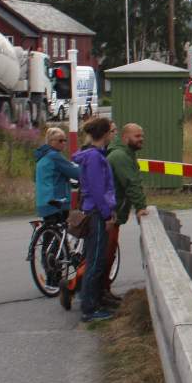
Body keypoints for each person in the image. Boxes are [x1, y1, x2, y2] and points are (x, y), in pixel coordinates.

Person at [72, 117, 117, 322]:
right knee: (95, 261)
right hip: (96, 213)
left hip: (95, 210)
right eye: (112, 131)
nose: (113, 134)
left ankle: (91, 301)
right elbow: (99, 190)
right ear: (105, 133)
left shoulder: (94, 156)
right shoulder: (95, 158)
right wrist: (107, 213)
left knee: (95, 259)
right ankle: (89, 309)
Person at [103, 121, 149, 307]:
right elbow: (131, 183)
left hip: (114, 214)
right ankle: (89, 290)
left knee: (109, 254)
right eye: (137, 136)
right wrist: (140, 206)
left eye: (142, 135)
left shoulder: (125, 154)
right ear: (125, 137)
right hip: (111, 215)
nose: (141, 139)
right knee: (105, 255)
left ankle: (103, 290)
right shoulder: (121, 157)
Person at [33, 127, 80, 221]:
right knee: (64, 231)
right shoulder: (54, 156)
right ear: (51, 141)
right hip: (56, 201)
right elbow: (76, 172)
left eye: (65, 140)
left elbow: (52, 177)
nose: (64, 143)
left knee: (50, 232)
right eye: (60, 140)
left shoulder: (42, 157)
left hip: (43, 201)